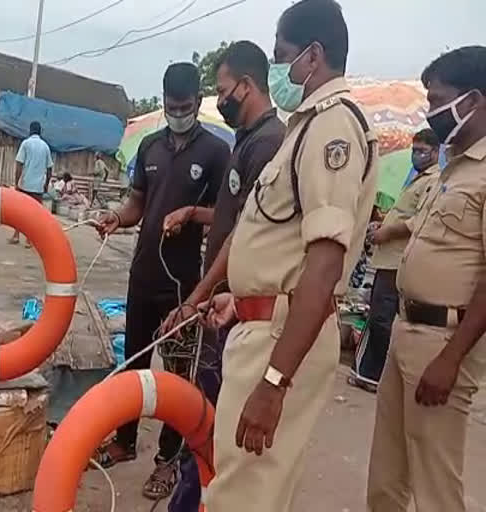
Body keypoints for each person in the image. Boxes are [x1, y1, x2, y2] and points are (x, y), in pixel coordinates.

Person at [201, 1, 377, 510]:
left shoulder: (332, 128)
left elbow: (323, 265)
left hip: (278, 345)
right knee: (245, 487)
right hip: (262, 328)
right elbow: (282, 244)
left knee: (244, 496)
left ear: (313, 56)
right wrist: (242, 300)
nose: (277, 69)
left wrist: (274, 383)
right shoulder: (305, 126)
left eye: (282, 56)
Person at [158, 41, 286, 512]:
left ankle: (192, 500)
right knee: (210, 409)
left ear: (246, 86)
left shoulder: (270, 145)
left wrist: (199, 294)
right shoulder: (248, 141)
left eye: (222, 90)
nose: (220, 99)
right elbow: (236, 223)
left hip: (242, 309)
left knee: (214, 420)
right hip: (225, 302)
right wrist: (195, 214)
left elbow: (246, 237)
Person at [95, 62, 229, 501]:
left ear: (198, 101)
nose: (177, 113)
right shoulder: (150, 147)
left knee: (175, 375)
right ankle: (125, 440)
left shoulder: (214, 152)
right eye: (171, 106)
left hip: (182, 284)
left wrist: (191, 214)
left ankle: (167, 461)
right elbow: (138, 203)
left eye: (185, 106)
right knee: (133, 362)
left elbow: (227, 214)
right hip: (143, 273)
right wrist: (116, 218)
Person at [367, 45, 486, 512]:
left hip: (444, 341)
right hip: (406, 330)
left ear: (473, 100)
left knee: (436, 487)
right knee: (386, 479)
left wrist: (451, 358)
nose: (430, 111)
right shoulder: (451, 168)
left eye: (437, 100)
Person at [349, 128, 441, 392]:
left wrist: (387, 231)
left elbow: (417, 221)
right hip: (386, 257)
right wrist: (381, 225)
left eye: (422, 151)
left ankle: (380, 375)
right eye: (415, 150)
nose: (417, 155)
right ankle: (370, 374)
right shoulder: (418, 178)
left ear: (435, 153)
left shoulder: (433, 181)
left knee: (382, 318)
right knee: (379, 316)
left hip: (396, 260)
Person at [9, 121, 53, 247]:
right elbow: (50, 168)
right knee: (34, 214)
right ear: (40, 131)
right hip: (38, 187)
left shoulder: (26, 143)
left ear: (30, 130)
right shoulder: (45, 146)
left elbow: (19, 164)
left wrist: (16, 182)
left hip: (25, 184)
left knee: (20, 212)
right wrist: (46, 184)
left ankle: (16, 235)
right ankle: (29, 239)